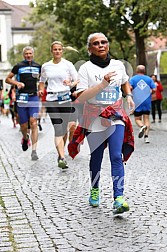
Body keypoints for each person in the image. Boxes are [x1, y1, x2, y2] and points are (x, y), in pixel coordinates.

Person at [70, 32, 135, 214]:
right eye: (96, 43)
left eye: (104, 42)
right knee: (96, 157)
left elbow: (124, 82)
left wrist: (128, 96)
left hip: (115, 114)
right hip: (94, 116)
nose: (101, 45)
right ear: (90, 48)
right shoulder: (85, 69)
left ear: (108, 45)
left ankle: (118, 198)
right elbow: (82, 96)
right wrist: (102, 85)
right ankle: (95, 188)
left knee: (116, 155)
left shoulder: (118, 65)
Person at [38, 41, 78, 169]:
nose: (57, 52)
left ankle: (61, 152)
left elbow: (77, 79)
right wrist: (41, 89)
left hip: (65, 98)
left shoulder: (68, 64)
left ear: (62, 51)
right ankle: (61, 157)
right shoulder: (46, 66)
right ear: (52, 51)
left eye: (59, 49)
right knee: (58, 129)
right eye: (55, 49)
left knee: (65, 128)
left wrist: (70, 83)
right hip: (51, 99)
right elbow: (42, 81)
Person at [5, 46, 41, 160]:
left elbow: (42, 80)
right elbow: (7, 79)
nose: (28, 55)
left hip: (33, 97)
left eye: (30, 53)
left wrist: (41, 89)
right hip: (22, 99)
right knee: (24, 125)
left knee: (34, 122)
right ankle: (25, 138)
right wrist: (17, 83)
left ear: (33, 54)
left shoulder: (38, 67)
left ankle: (34, 151)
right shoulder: (18, 66)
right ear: (23, 55)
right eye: (26, 53)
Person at [129, 65, 156, 143]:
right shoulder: (149, 79)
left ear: (137, 71)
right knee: (146, 118)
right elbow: (154, 89)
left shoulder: (133, 79)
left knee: (137, 119)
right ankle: (146, 137)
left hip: (137, 101)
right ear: (144, 71)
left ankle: (142, 126)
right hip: (147, 101)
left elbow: (130, 88)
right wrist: (149, 93)